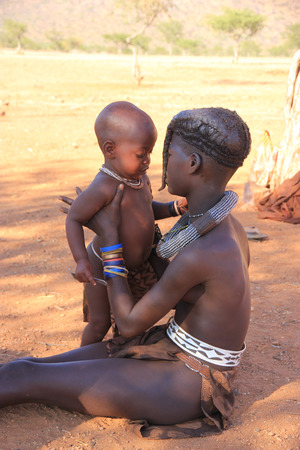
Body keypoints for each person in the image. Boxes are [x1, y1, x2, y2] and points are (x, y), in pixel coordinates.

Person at [0, 107, 251, 439]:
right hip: (171, 349)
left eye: (168, 152)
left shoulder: (206, 251)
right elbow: (183, 288)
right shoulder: (229, 228)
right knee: (25, 367)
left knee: (29, 376)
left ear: (192, 164)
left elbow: (130, 322)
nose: (156, 161)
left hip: (186, 381)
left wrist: (110, 240)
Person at [62, 101, 186, 346]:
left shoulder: (140, 179)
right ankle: (81, 361)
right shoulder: (103, 187)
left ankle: (120, 358)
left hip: (133, 269)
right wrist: (81, 261)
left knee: (130, 321)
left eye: (150, 153)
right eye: (142, 154)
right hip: (101, 265)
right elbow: (73, 218)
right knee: (100, 323)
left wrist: (173, 208)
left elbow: (145, 212)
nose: (148, 160)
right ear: (111, 149)